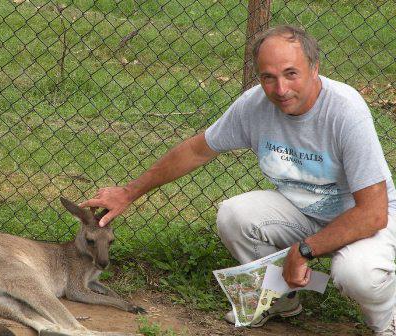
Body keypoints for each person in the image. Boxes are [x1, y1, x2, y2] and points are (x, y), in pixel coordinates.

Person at [79, 25, 396, 335]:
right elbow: (197, 150)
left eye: (291, 73)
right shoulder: (256, 104)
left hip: (362, 220)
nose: (280, 89)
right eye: (268, 77)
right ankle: (279, 299)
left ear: (315, 68)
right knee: (234, 216)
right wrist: (129, 193)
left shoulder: (345, 110)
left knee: (358, 275)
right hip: (305, 211)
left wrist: (303, 250)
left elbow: (373, 213)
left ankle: (387, 322)